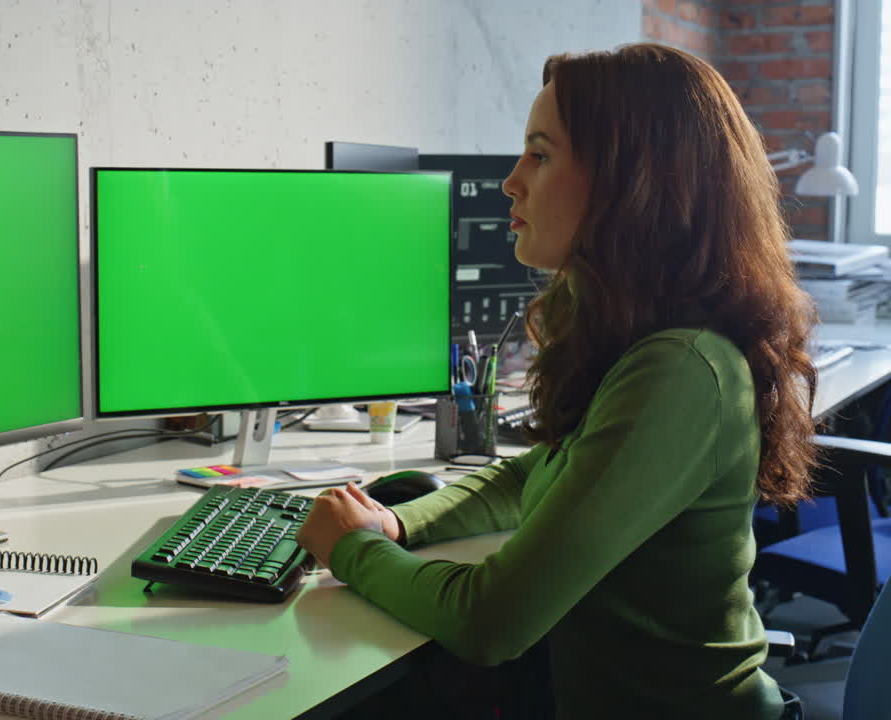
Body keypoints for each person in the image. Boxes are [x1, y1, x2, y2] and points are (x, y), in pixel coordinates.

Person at [297, 42, 816, 720]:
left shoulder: (681, 369)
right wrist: (395, 522)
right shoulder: (631, 335)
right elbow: (539, 470)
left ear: (633, 183)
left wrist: (353, 550)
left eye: (539, 155)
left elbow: (493, 621)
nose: (511, 181)